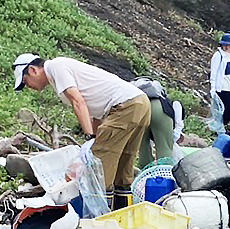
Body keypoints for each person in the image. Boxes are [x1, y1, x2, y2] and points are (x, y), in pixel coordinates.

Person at [13, 53, 152, 208]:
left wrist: (89, 137)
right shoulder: (61, 71)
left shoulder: (55, 67)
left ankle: (99, 219)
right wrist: (95, 137)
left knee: (100, 168)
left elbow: (78, 101)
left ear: (32, 70)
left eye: (25, 81)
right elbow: (96, 113)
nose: (28, 87)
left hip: (124, 106)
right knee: (123, 164)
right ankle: (123, 213)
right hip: (140, 102)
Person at [133, 78, 182, 169]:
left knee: (143, 148)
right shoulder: (173, 105)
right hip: (158, 108)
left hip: (140, 106)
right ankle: (163, 177)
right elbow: (173, 135)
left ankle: (145, 175)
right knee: (164, 149)